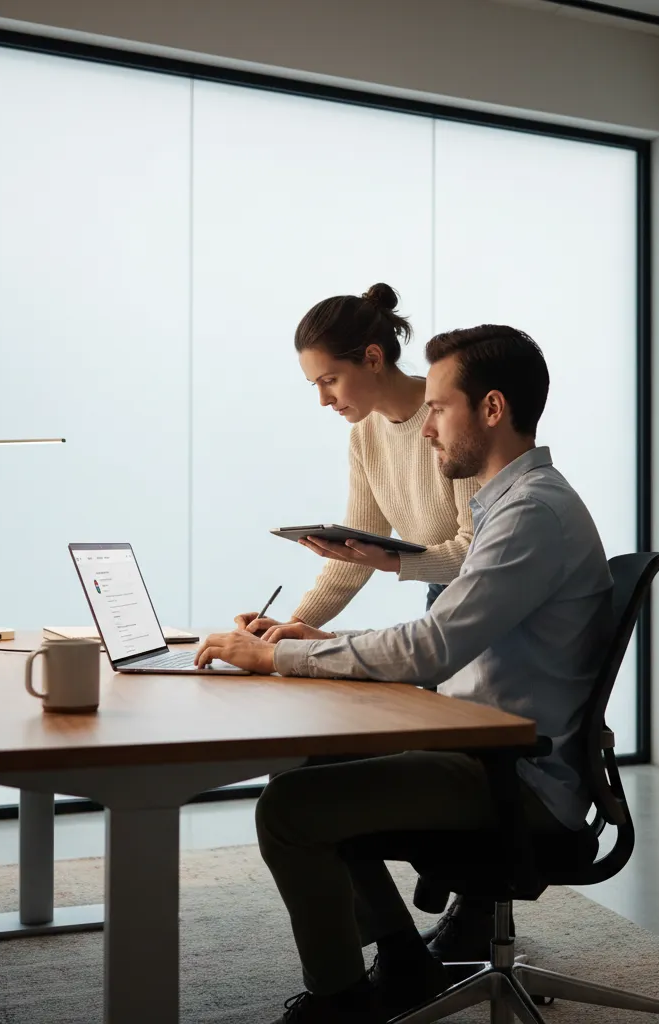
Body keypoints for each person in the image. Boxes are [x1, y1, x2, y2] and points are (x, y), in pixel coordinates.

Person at [198, 325, 614, 1024]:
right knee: (306, 762)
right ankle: (402, 959)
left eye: (439, 408)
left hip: (512, 774)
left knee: (289, 812)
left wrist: (279, 657)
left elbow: (432, 648)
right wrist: (318, 639)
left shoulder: (531, 515)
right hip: (479, 746)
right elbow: (438, 639)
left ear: (491, 409)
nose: (425, 429)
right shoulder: (509, 506)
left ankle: (341, 1007)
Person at [235, 283, 477, 637]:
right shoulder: (365, 435)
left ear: (373, 359)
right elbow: (357, 555)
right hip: (443, 593)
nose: (323, 399)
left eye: (330, 380)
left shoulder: (453, 419)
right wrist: (291, 627)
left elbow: (478, 551)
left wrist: (392, 560)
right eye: (315, 385)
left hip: (490, 595)